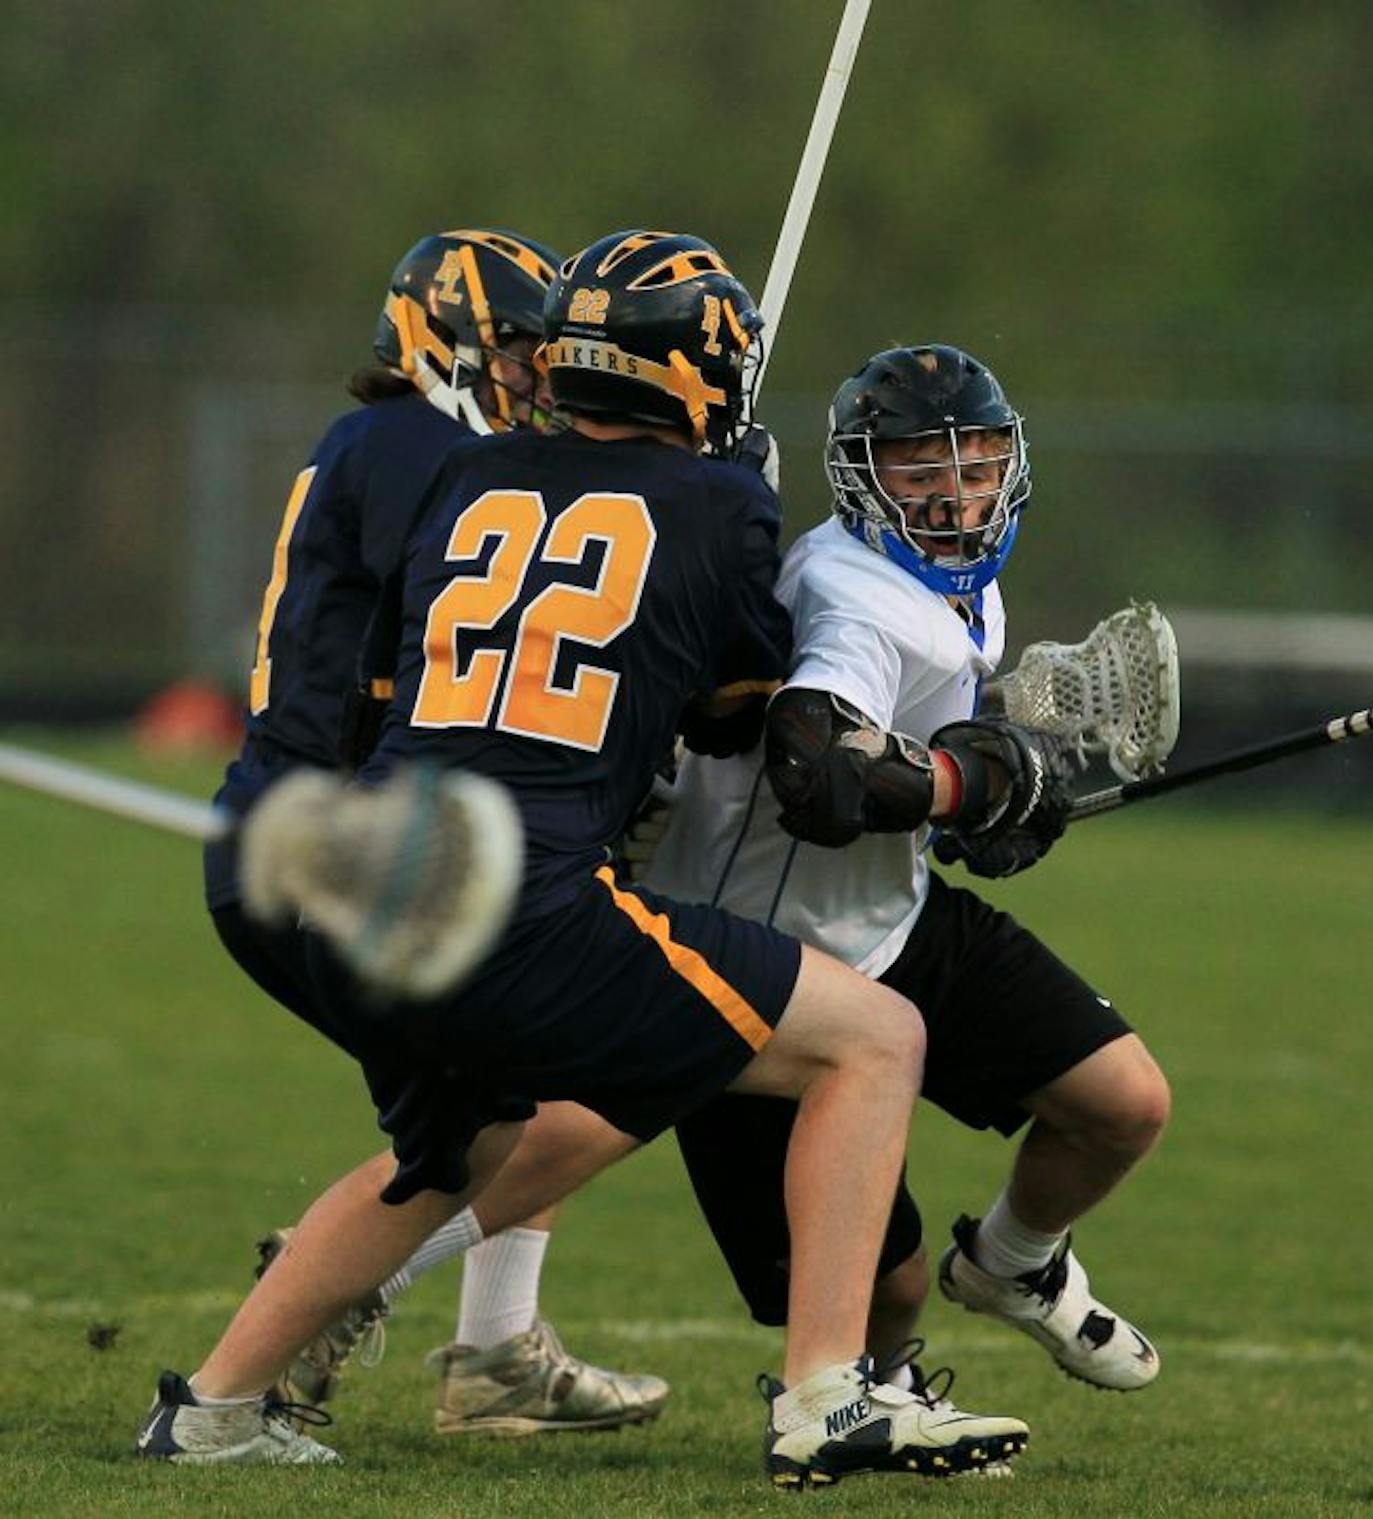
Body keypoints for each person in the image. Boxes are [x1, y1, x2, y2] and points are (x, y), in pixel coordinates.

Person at [139, 230, 1031, 1488]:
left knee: (455, 1154)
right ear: (704, 373)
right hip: (526, 899)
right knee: (874, 1038)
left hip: (384, 881)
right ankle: (830, 1394)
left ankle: (212, 1412)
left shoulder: (466, 473)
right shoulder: (721, 502)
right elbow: (740, 707)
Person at [204, 227, 668, 1436]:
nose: (539, 375)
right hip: (337, 848)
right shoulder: (410, 445)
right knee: (516, 1105)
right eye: (520, 347)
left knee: (521, 1094)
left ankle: (488, 1347)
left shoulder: (414, 448)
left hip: (334, 835)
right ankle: (259, 1367)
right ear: (445, 337)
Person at [639, 344, 1168, 1396]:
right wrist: (966, 786)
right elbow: (821, 768)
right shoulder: (851, 593)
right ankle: (867, 1396)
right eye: (921, 466)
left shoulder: (966, 585)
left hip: (894, 921)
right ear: (862, 476)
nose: (956, 491)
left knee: (1124, 1103)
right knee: (888, 1287)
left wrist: (992, 798)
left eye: (975, 462)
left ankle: (1014, 1266)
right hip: (765, 958)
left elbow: (926, 766)